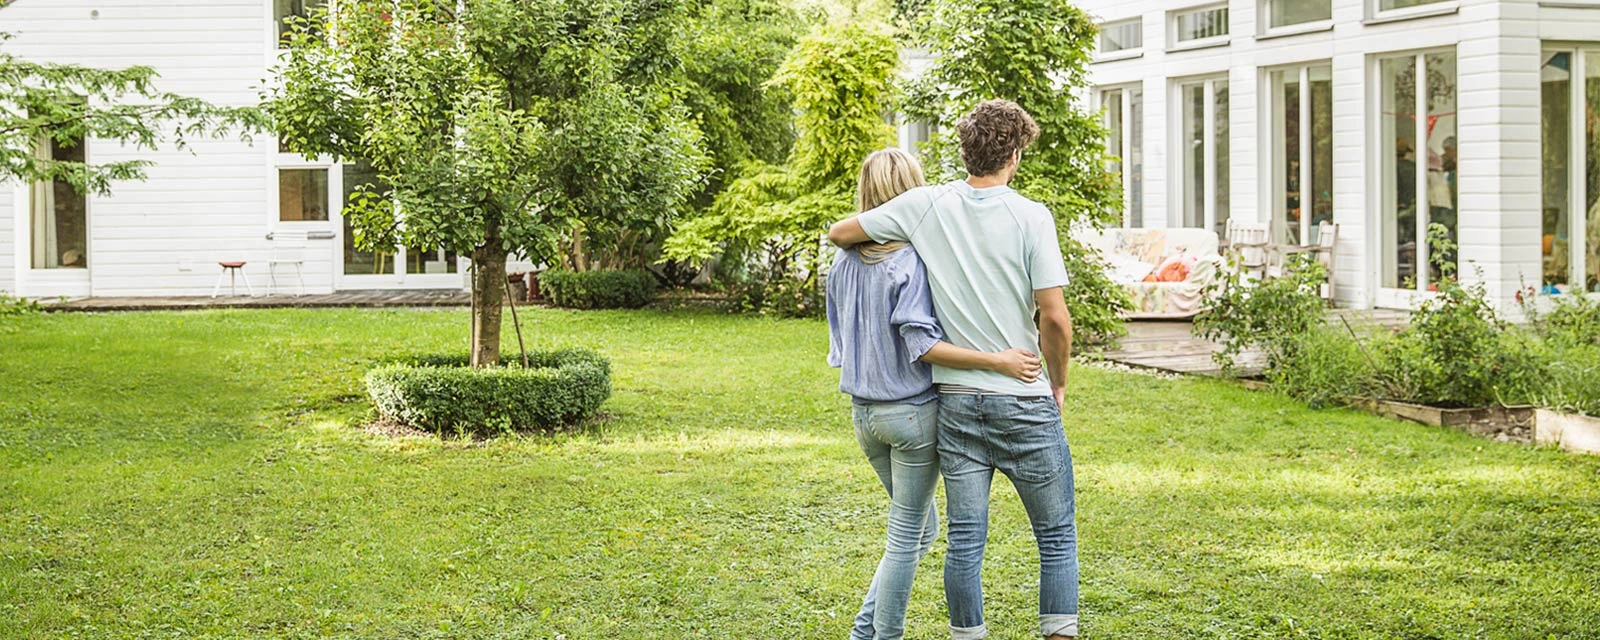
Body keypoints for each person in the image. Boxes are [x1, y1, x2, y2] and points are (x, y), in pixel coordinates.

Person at [828, 99, 1080, 640]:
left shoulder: (925, 205)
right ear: (1014, 154)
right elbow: (1055, 317)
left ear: (963, 150)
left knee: (964, 542)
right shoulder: (1031, 214)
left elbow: (840, 233)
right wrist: (1057, 381)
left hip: (957, 405)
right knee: (1056, 538)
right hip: (1022, 396)